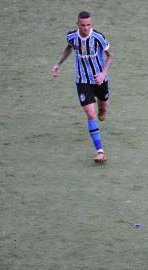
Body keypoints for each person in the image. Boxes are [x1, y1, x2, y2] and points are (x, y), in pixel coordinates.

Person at [51, 11, 113, 163]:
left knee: (103, 107)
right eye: (83, 25)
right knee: (91, 114)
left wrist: (103, 74)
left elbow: (110, 56)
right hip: (82, 80)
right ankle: (100, 151)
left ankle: (102, 109)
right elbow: (68, 48)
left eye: (88, 25)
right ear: (77, 24)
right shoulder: (72, 37)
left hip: (99, 79)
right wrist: (58, 64)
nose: (86, 28)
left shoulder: (97, 37)